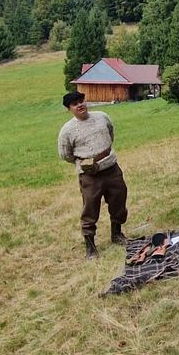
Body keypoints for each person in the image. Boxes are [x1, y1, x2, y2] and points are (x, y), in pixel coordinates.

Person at [57, 91, 128, 259]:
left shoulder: (102, 116)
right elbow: (65, 154)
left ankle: (117, 234)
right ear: (69, 109)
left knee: (119, 200)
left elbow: (111, 134)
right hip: (90, 176)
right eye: (75, 104)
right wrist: (85, 162)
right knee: (90, 208)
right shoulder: (67, 131)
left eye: (81, 101)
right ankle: (90, 246)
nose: (80, 105)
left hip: (111, 169)